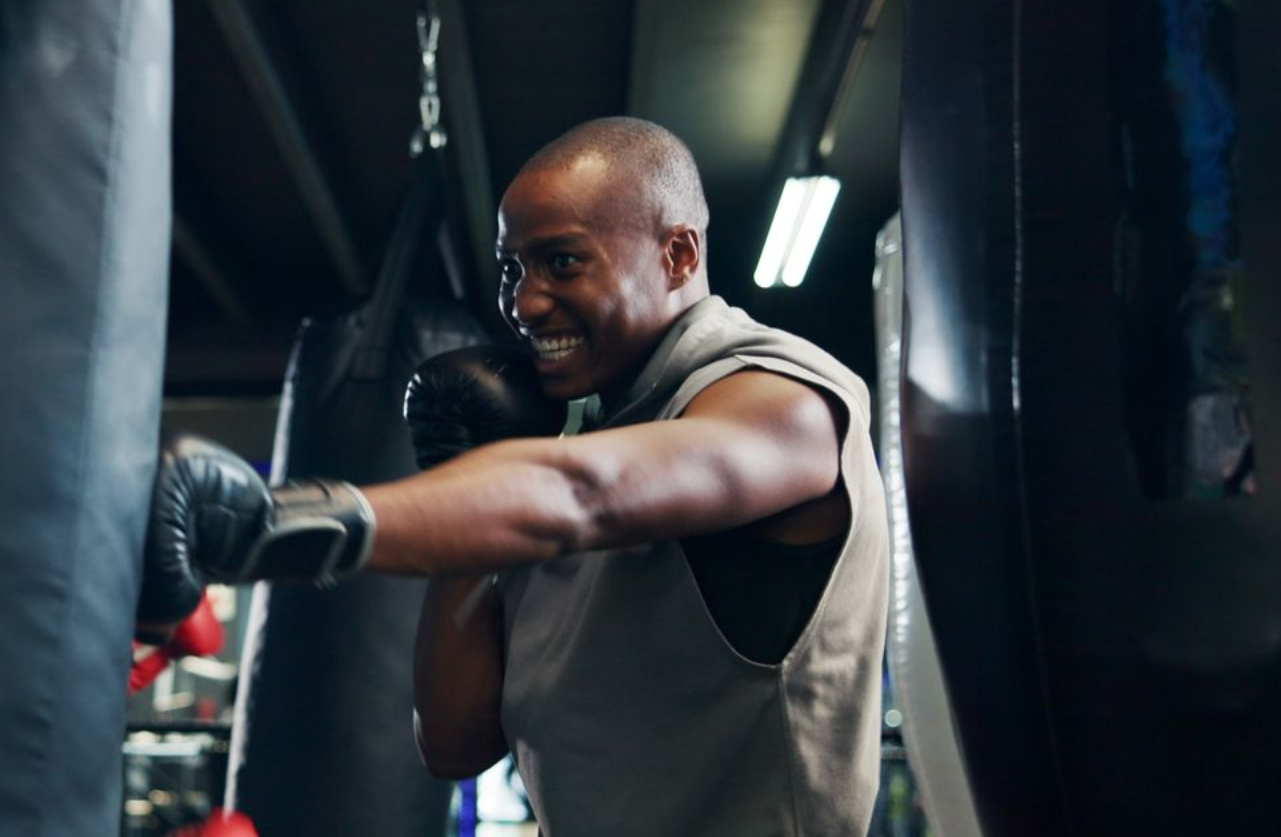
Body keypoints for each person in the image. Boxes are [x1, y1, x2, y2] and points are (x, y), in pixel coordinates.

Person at [146, 116, 889, 837]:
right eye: (512, 268)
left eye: (562, 261)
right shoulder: (566, 443)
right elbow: (454, 744)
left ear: (678, 256)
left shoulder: (783, 402)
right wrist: (467, 499)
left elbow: (584, 496)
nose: (524, 303)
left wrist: (269, 527)